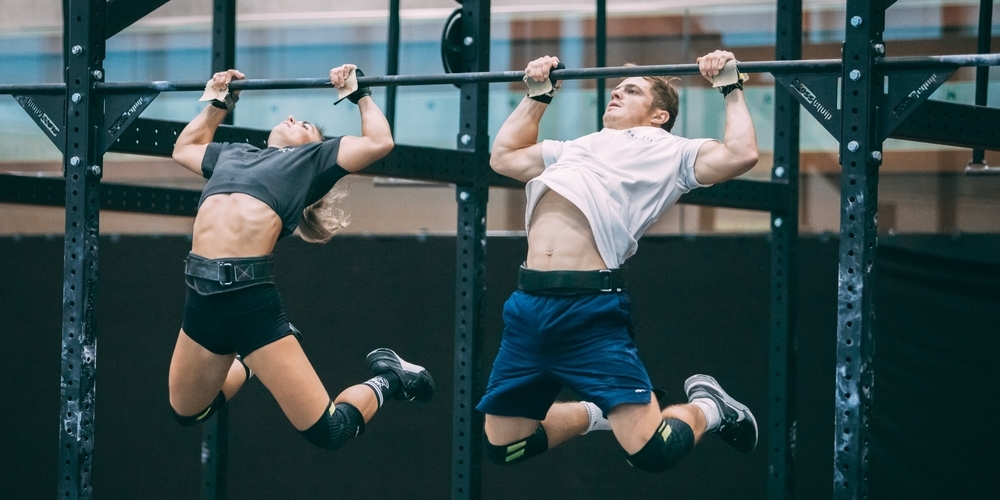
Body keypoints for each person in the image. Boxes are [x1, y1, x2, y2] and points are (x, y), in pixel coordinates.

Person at [477, 50, 760, 472]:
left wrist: (730, 87)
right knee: (506, 447)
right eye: (615, 88)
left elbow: (741, 154)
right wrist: (538, 94)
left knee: (654, 451)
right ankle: (597, 413)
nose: (616, 93)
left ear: (659, 115)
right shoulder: (575, 147)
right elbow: (503, 156)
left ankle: (711, 408)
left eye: (632, 90)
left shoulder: (672, 151)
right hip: (528, 306)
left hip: (588, 309)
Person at [168, 64, 434, 451]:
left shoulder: (310, 164)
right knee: (188, 411)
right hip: (200, 300)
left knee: (331, 432)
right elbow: (184, 148)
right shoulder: (233, 154)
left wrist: (358, 92)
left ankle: (391, 378)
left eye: (306, 124)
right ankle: (248, 364)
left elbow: (379, 142)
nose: (293, 118)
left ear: (313, 145)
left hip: (250, 307)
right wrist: (220, 102)